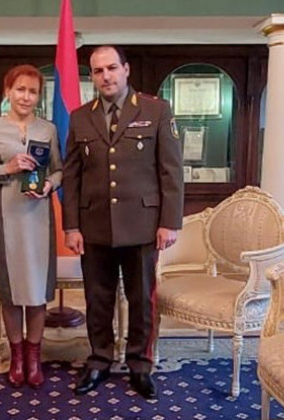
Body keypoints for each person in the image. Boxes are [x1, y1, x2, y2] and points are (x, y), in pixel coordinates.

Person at [62, 45, 184, 399]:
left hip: (143, 224)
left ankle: (140, 365)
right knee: (97, 299)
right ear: (92, 76)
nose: (106, 76)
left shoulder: (156, 110)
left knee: (141, 300)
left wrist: (169, 222)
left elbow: (171, 171)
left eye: (112, 68)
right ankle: (99, 359)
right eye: (98, 71)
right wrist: (71, 226)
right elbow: (72, 176)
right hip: (94, 225)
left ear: (126, 69)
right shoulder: (80, 117)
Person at [0, 64, 62, 388]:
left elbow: (60, 169)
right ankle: (17, 357)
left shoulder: (48, 129)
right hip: (7, 219)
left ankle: (34, 358)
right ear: (8, 92)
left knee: (36, 292)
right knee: (11, 294)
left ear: (39, 96)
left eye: (33, 91)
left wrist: (50, 184)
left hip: (39, 219)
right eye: (20, 89)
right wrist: (6, 168)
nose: (26, 96)